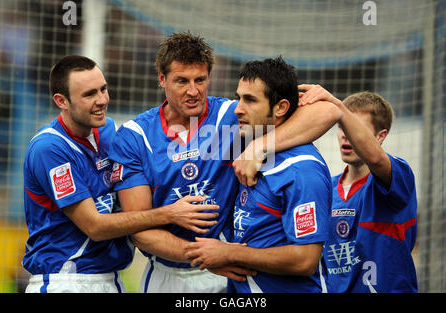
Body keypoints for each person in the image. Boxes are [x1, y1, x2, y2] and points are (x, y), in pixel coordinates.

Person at [108, 32, 341, 293]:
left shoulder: (232, 116)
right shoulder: (134, 136)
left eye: (200, 80)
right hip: (171, 272)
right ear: (162, 79)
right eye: (182, 81)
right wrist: (205, 256)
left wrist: (259, 146)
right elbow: (139, 228)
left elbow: (329, 111)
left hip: (230, 272)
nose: (193, 91)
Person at [22, 55, 220, 293]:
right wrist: (170, 213)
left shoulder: (109, 132)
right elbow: (94, 226)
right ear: (61, 101)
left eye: (103, 89)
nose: (101, 100)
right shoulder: (49, 148)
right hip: (67, 280)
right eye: (89, 94)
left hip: (111, 278)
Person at [184, 57, 332, 293]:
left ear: (281, 107)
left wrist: (230, 252)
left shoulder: (302, 171)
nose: (238, 108)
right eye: (239, 97)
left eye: (250, 100)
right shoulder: (250, 145)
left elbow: (305, 260)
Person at [298, 85, 418, 292]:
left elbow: (375, 158)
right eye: (340, 126)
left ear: (381, 136)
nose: (346, 135)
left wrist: (336, 106)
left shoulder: (399, 177)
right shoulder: (326, 187)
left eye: (353, 127)